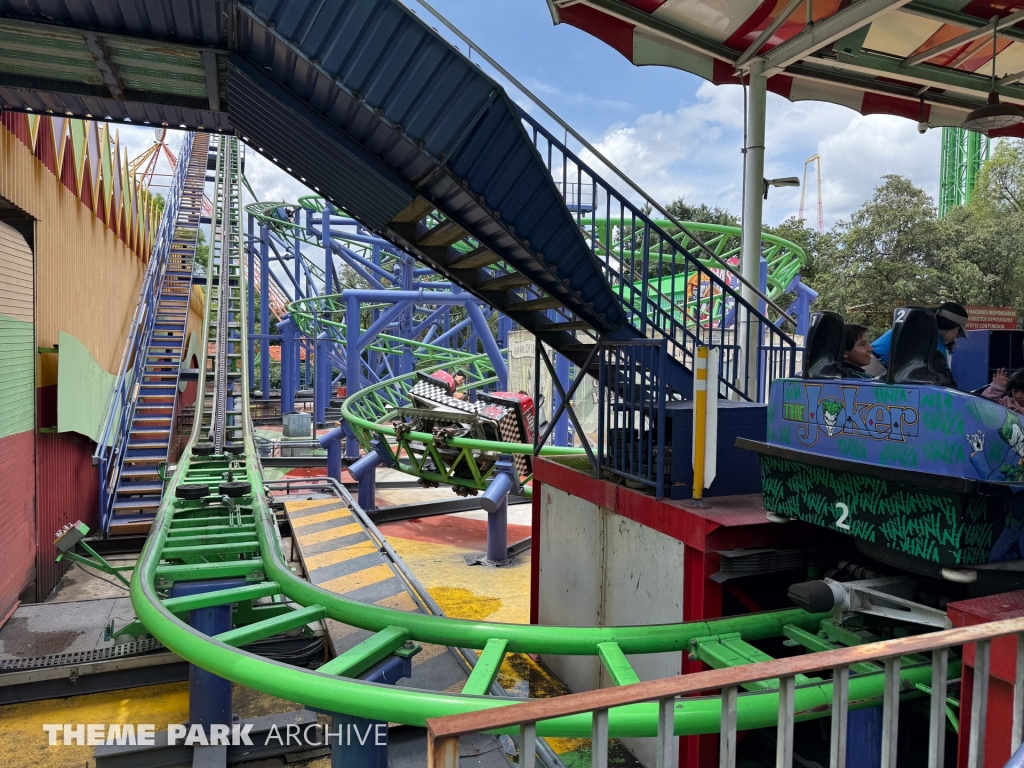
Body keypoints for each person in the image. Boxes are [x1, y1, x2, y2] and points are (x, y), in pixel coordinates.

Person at [870, 301, 969, 367]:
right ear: (949, 324)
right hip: (876, 367)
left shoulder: (923, 327)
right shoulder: (931, 338)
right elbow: (943, 377)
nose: (958, 335)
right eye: (958, 330)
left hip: (875, 362)